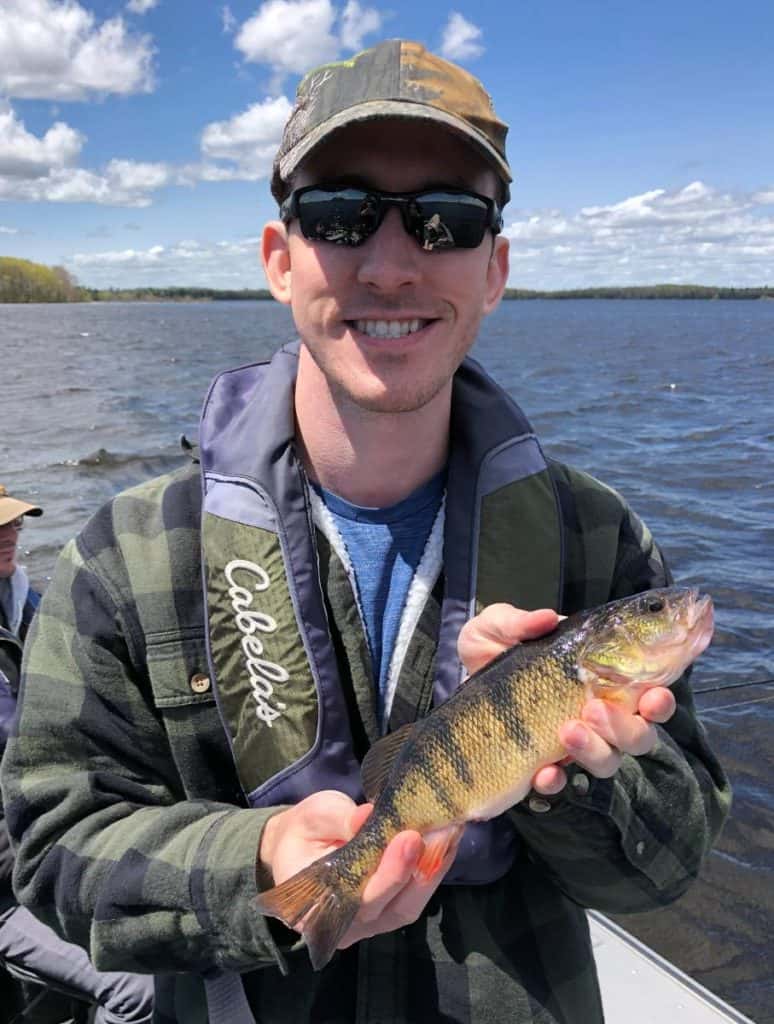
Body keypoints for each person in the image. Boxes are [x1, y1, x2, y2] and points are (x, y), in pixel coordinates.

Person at [1, 40, 730, 1024]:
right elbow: (50, 847)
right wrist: (252, 860)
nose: (390, 265)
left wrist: (580, 785)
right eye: (340, 215)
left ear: (496, 267)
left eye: (445, 220)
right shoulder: (126, 557)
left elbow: (673, 868)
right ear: (277, 256)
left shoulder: (594, 542)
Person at [0, 486, 154, 1024]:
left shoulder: (33, 608)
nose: (10, 534)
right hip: (10, 886)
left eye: (15, 522)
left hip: (59, 853)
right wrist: (45, 849)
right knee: (142, 992)